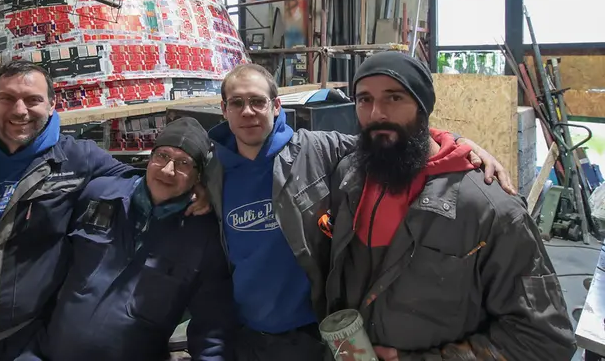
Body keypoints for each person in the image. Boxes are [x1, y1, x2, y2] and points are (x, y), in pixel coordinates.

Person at [0, 61, 204, 361]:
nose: (20, 110)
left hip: (23, 340)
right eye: (7, 98)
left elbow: (142, 181)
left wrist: (201, 188)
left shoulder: (76, 161)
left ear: (53, 104)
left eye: (32, 100)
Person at [204, 63, 514, 361]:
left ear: (276, 106)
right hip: (245, 331)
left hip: (309, 334)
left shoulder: (315, 150)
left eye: (257, 101)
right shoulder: (215, 170)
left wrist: (457, 143)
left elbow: (391, 138)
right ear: (224, 110)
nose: (247, 111)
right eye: (237, 103)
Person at [321, 51, 575, 360]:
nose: (376, 113)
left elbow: (543, 339)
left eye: (394, 98)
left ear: (423, 106)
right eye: (364, 99)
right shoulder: (349, 176)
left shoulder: (489, 209)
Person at [41, 117, 236, 361]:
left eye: (183, 163)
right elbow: (48, 269)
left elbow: (213, 326)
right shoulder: (99, 195)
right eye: (162, 156)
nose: (167, 170)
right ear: (150, 157)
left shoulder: (203, 237)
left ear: (199, 177)